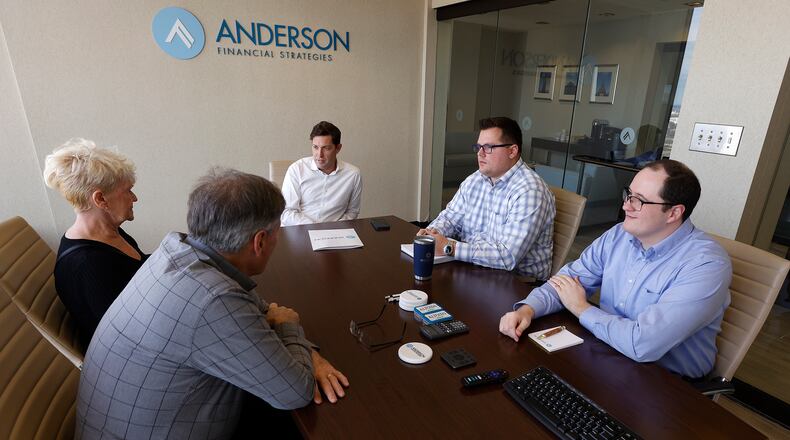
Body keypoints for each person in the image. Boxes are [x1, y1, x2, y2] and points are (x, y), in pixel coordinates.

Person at [76, 168, 349, 439]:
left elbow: (260, 309)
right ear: (260, 241)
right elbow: (296, 392)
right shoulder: (213, 300)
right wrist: (290, 327)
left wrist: (308, 352)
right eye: (277, 233)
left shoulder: (175, 251)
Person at [499, 160, 731, 379]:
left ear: (673, 213)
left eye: (639, 200)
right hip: (610, 352)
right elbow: (567, 282)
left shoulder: (706, 265)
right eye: (628, 194)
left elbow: (642, 344)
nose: (625, 206)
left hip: (666, 381)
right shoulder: (618, 236)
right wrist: (528, 309)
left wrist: (580, 308)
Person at [418, 117, 555, 280]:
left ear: (512, 151)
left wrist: (450, 247)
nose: (480, 153)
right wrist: (432, 234)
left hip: (517, 283)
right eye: (478, 147)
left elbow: (507, 257)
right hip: (475, 270)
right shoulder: (476, 179)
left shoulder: (530, 191)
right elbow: (450, 218)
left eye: (488, 147)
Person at [43, 138, 147, 348]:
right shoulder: (86, 265)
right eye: (128, 190)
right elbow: (129, 336)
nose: (134, 198)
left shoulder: (110, 233)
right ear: (100, 200)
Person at [280, 121, 362, 226]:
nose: (319, 155)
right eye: (315, 147)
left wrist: (334, 229)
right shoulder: (296, 169)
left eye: (326, 148)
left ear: (338, 148)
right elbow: (287, 211)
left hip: (335, 231)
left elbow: (352, 212)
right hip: (299, 228)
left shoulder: (353, 174)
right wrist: (315, 228)